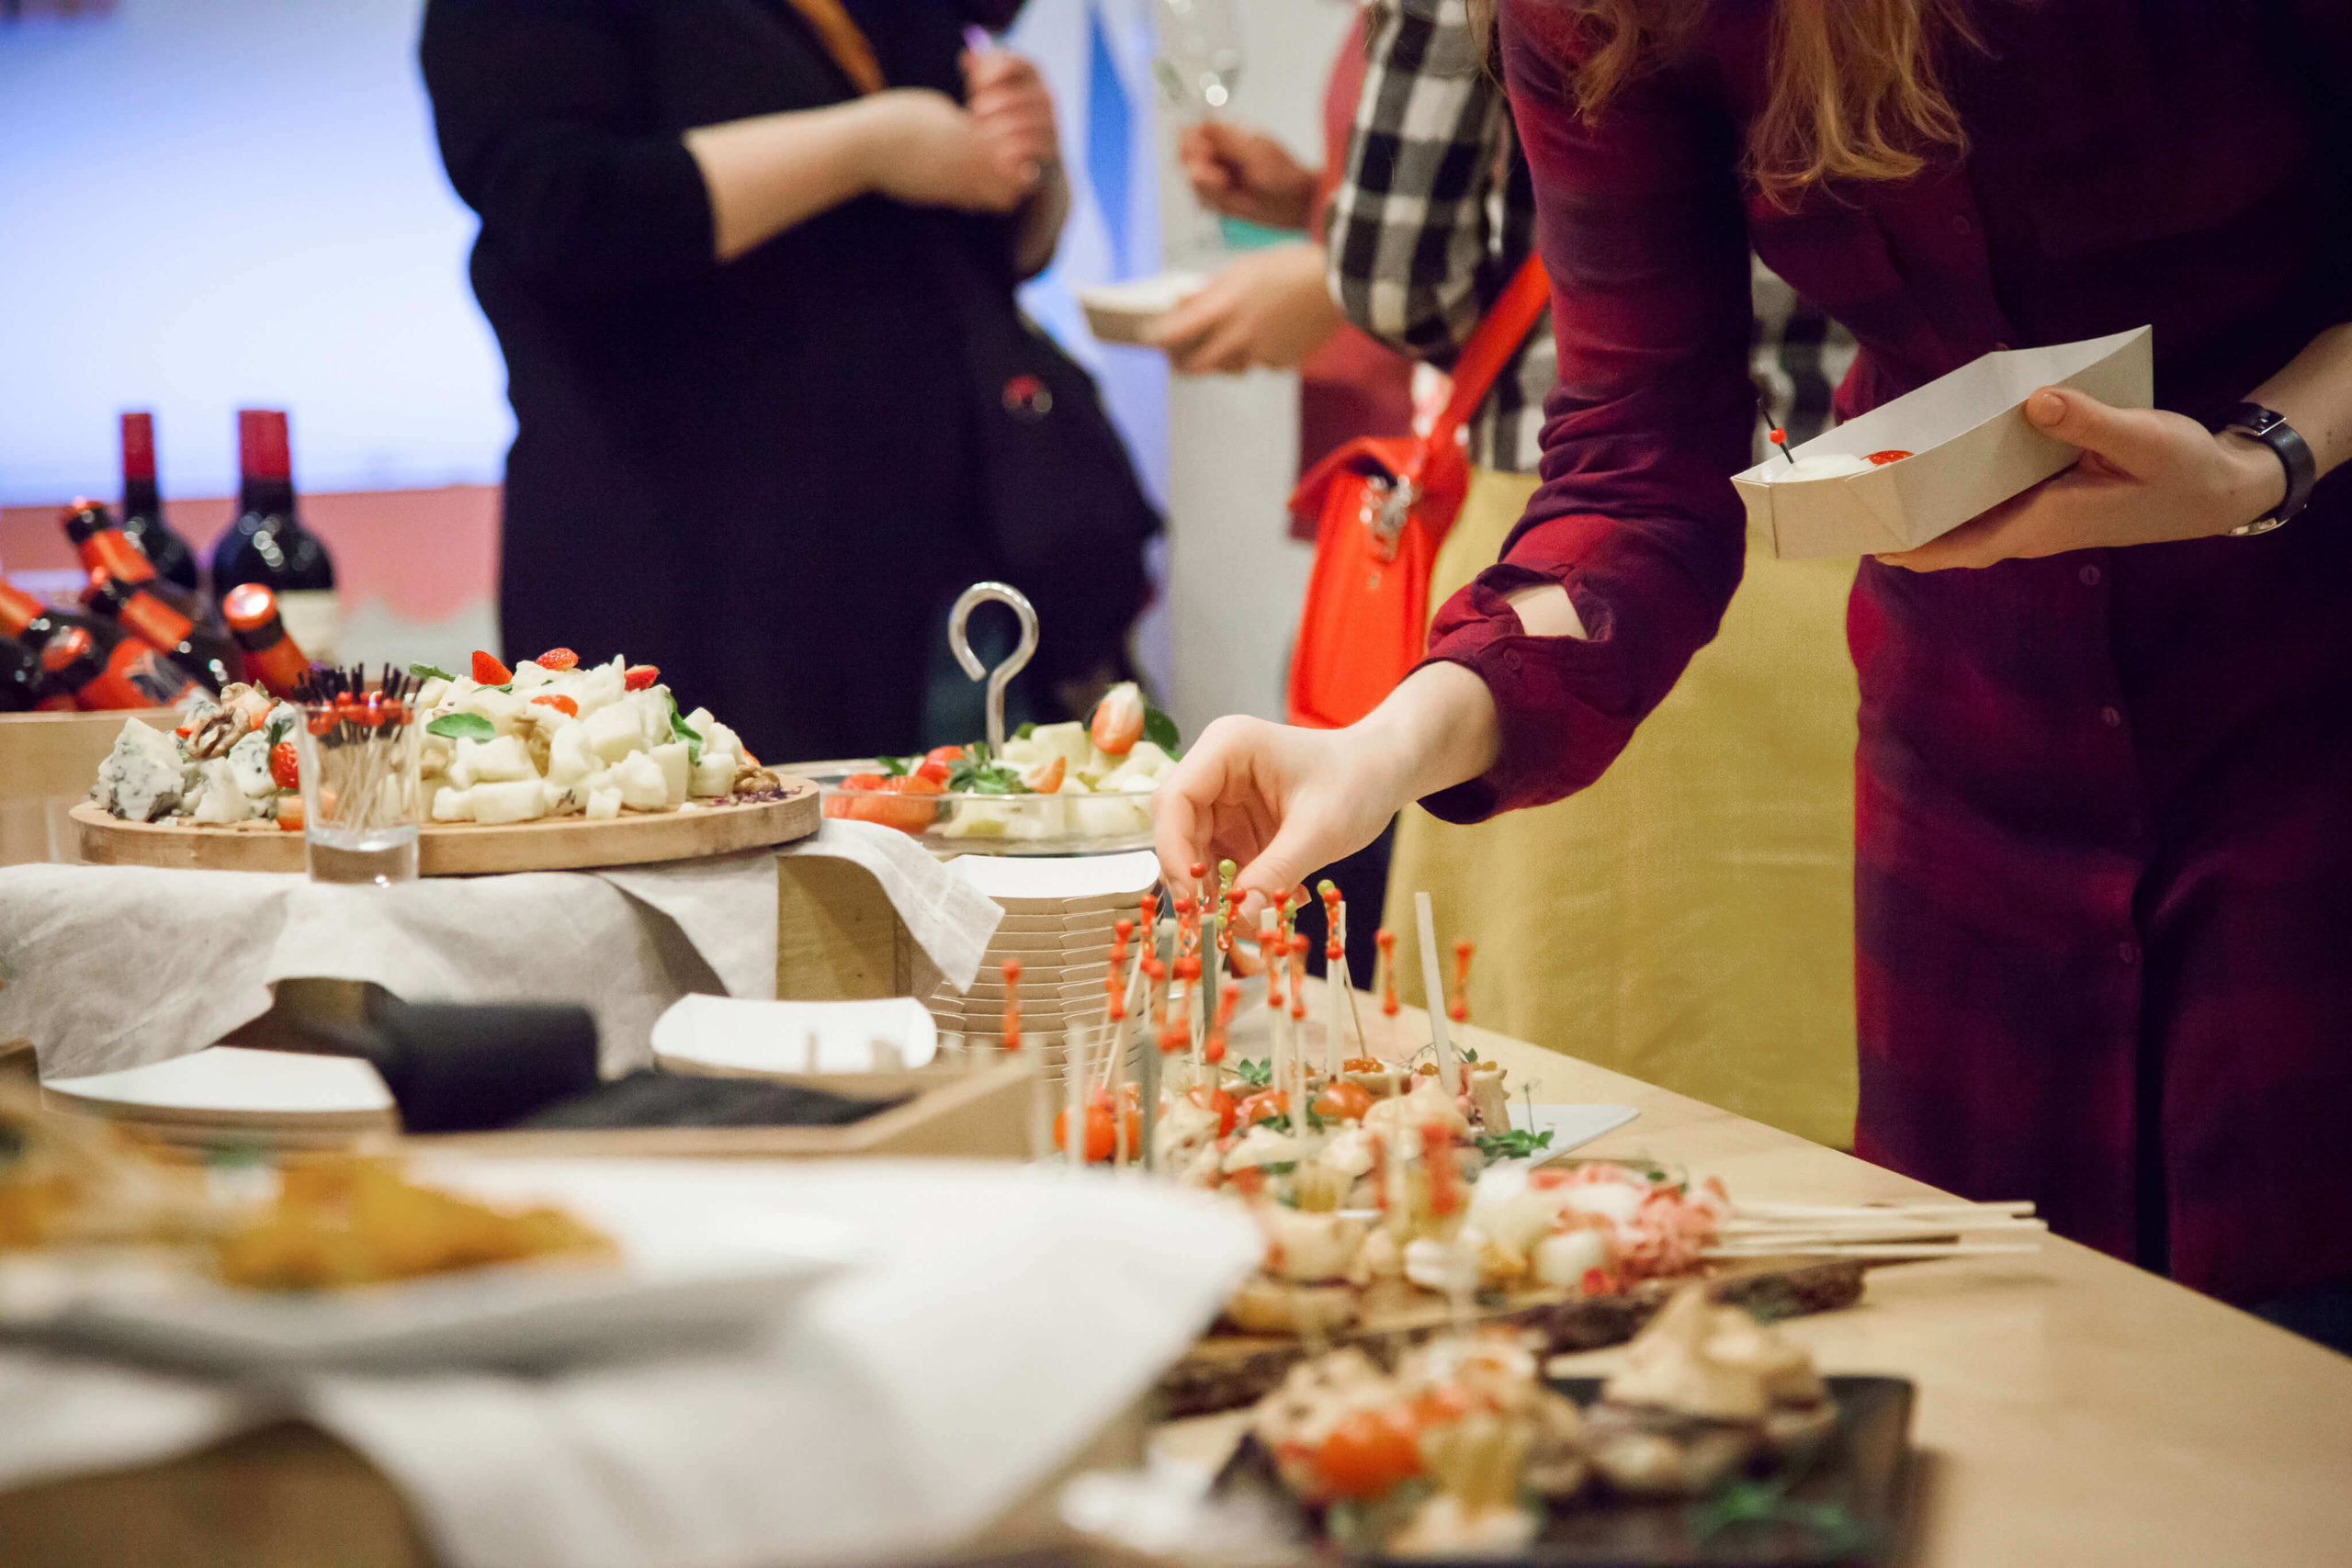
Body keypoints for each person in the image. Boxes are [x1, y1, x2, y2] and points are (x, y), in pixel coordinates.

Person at [1156, 0, 2352, 1341]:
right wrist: (1382, 745)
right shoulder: (1596, 16)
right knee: (2012, 1353)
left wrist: (2266, 457)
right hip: (1976, 759)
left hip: (2304, 714)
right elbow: (1637, 461)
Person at [1329, 0, 1863, 1145]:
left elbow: (1395, 277)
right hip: (1884, 542)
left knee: (1545, 1130)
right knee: (1827, 1105)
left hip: (1580, 572)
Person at [420, 0, 1155, 762]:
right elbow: (558, 206)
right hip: (695, 573)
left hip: (943, 562)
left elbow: (985, 252)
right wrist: (869, 147)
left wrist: (1024, 160)